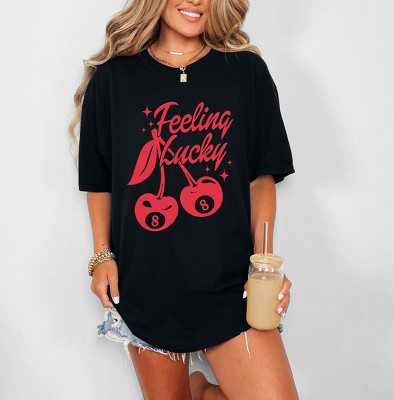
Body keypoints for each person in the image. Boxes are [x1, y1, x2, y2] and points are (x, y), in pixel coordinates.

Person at [70, 0, 299, 398]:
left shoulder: (246, 73)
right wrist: (102, 255)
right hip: (146, 288)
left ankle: (203, 393)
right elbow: (100, 181)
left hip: (231, 288)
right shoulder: (112, 79)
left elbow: (260, 178)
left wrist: (263, 266)